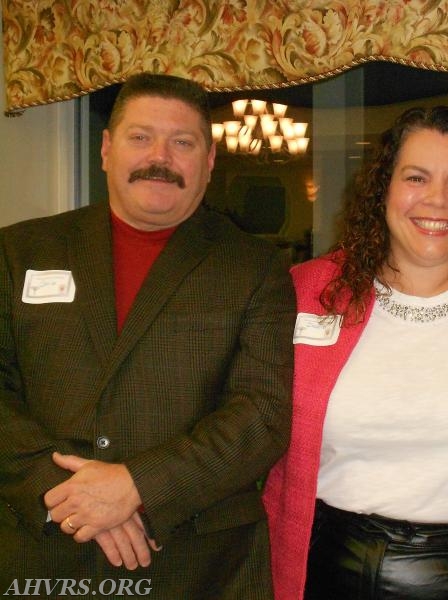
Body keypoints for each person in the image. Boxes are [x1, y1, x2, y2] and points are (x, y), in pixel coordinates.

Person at [0, 73, 295, 599]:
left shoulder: (254, 267)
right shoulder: (17, 252)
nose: (160, 156)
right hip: (40, 550)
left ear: (207, 163)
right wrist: (65, 496)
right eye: (140, 137)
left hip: (198, 563)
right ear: (107, 150)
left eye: (182, 142)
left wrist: (136, 486)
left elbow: (263, 413)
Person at [262, 105, 448, 600]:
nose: (437, 200)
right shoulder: (308, 292)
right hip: (329, 572)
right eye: (416, 177)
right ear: (383, 189)